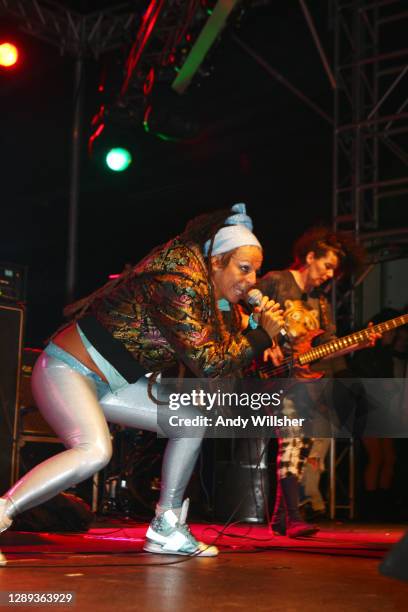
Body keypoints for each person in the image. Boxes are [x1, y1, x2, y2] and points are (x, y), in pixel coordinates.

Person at [0, 204, 284, 563]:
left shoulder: (213, 300)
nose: (251, 281)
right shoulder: (180, 279)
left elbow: (225, 360)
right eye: (244, 269)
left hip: (109, 384)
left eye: (255, 272)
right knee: (95, 450)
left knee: (191, 421)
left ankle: (166, 526)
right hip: (66, 369)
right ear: (216, 261)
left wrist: (257, 331)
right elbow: (210, 363)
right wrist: (259, 339)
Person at [257, 226, 377, 537]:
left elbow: (328, 346)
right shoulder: (276, 281)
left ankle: (282, 519)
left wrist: (360, 343)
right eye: (327, 266)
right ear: (310, 257)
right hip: (272, 378)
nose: (329, 274)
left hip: (304, 382)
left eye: (334, 270)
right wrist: (264, 343)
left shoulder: (320, 303)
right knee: (294, 440)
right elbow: (244, 313)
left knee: (298, 445)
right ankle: (293, 517)